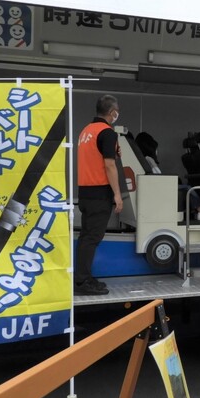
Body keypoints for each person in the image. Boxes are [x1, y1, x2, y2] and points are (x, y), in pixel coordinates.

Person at [75, 95, 123, 295]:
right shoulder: (107, 132)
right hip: (99, 194)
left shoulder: (86, 131)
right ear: (112, 112)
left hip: (85, 192)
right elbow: (109, 165)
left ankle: (83, 277)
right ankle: (82, 282)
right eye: (116, 111)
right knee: (92, 238)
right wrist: (117, 195)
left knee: (86, 237)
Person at [135, 131, 200, 220]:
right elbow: (158, 175)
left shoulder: (141, 158)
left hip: (155, 187)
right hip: (160, 187)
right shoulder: (149, 159)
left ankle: (198, 212)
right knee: (188, 188)